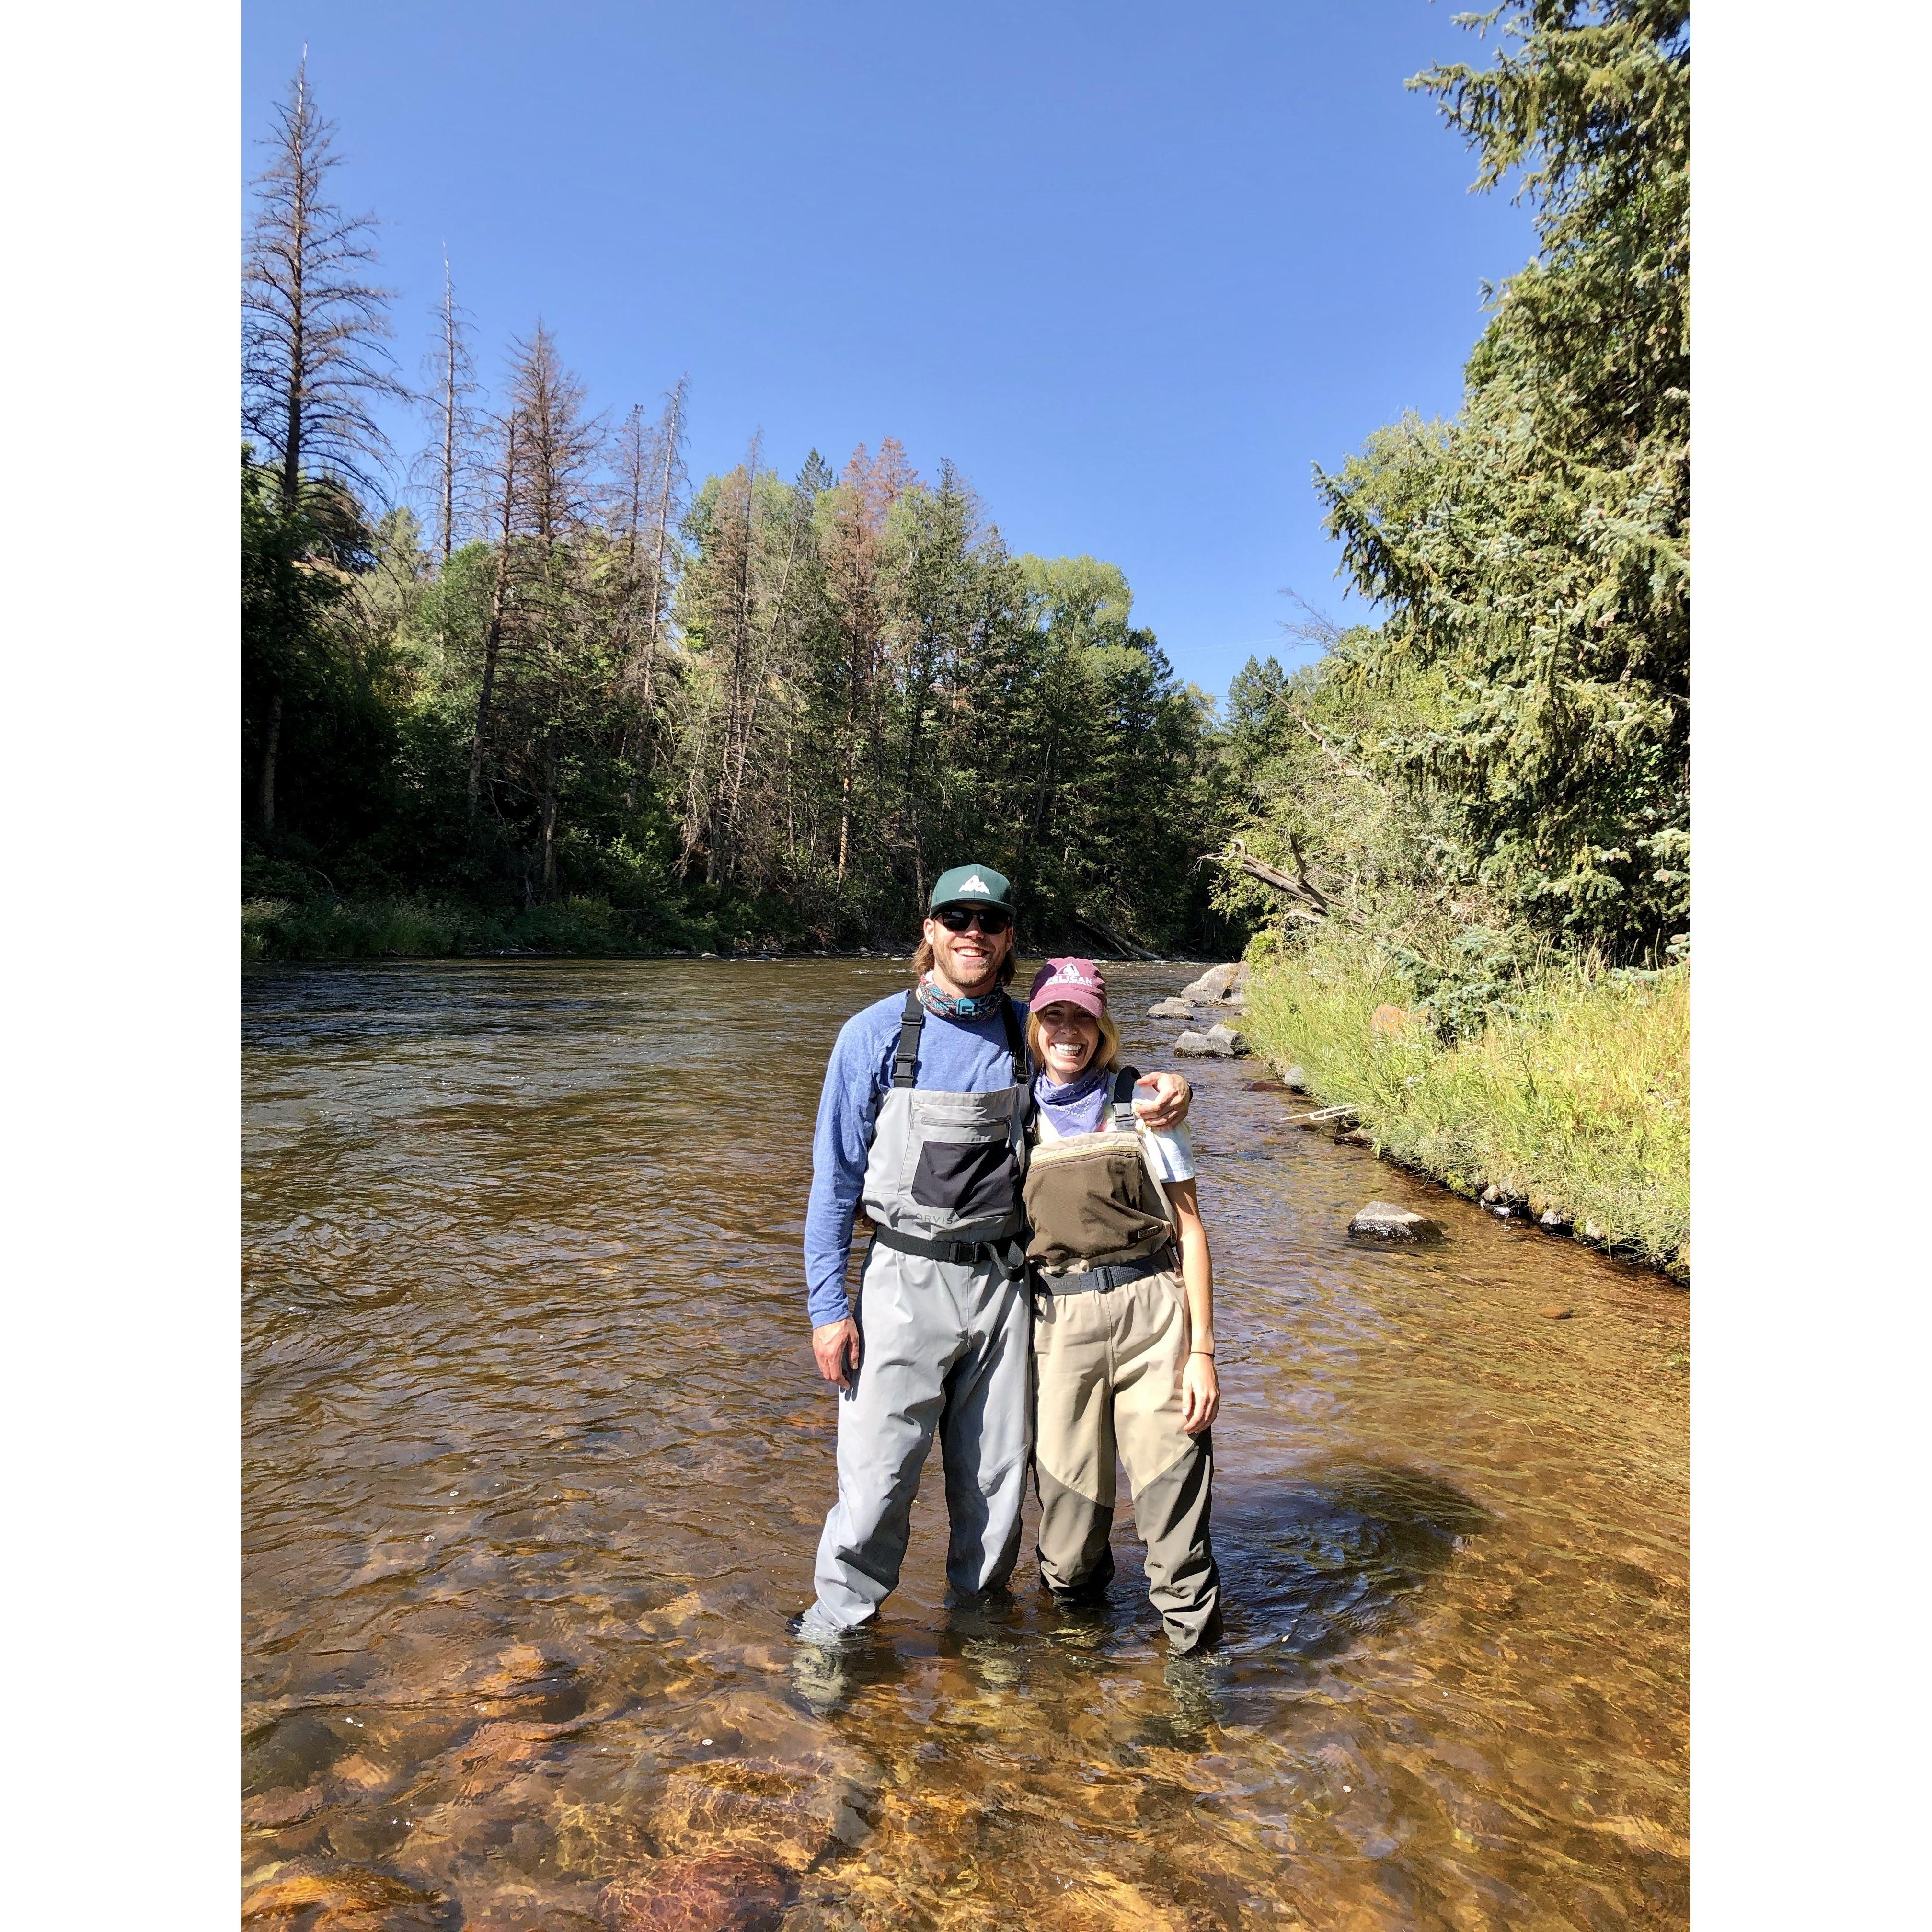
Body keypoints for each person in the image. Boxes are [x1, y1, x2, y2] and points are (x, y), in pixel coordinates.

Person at [796, 867, 1192, 1640]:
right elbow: (834, 1182)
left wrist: (1174, 1087)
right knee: (877, 1482)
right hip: (901, 1283)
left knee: (995, 1484)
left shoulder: (1030, 1031)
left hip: (1008, 1288)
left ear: (1009, 938)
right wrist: (827, 1309)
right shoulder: (872, 1035)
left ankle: (978, 1632)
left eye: (988, 921)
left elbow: (1107, 1086)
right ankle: (837, 1628)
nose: (971, 932)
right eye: (956, 918)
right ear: (930, 930)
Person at [1023, 956, 1223, 1653]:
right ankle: (1078, 1666)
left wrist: (1203, 1352)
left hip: (1155, 1319)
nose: (1069, 1032)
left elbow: (1190, 1230)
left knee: (1174, 1510)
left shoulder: (1145, 1103)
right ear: (1034, 1026)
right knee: (1069, 1537)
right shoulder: (1012, 1113)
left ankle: (1195, 1670)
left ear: (1103, 1026)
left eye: (1082, 1017)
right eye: (1054, 1016)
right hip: (1057, 1327)